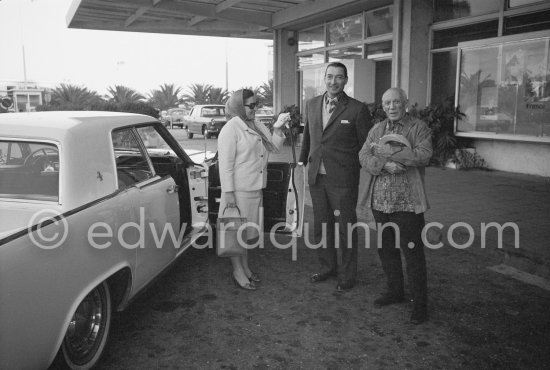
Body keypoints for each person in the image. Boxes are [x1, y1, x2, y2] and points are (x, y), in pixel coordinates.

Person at [358, 87, 432, 324]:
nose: (392, 107)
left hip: (408, 203)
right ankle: (395, 292)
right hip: (380, 203)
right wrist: (384, 165)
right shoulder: (377, 129)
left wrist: (389, 152)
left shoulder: (418, 128)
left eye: (396, 102)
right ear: (383, 105)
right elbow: (363, 156)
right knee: (387, 250)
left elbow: (423, 155)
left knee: (413, 254)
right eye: (387, 103)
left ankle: (420, 306)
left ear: (405, 103)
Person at [299, 62, 372, 291]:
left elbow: (365, 147)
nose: (333, 81)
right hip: (317, 178)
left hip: (343, 181)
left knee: (345, 227)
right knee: (322, 226)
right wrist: (303, 162)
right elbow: (308, 137)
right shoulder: (311, 104)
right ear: (324, 79)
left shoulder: (357, 109)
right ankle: (327, 267)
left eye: (338, 77)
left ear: (346, 80)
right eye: (329, 77)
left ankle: (347, 275)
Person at [218, 89, 289, 291]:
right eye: (251, 105)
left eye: (256, 104)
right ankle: (237, 271)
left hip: (255, 188)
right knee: (235, 233)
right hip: (237, 192)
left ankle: (245, 267)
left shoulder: (256, 125)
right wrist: (229, 193)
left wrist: (277, 128)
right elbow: (226, 165)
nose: (255, 109)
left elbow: (274, 148)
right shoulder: (230, 129)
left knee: (246, 233)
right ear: (239, 106)